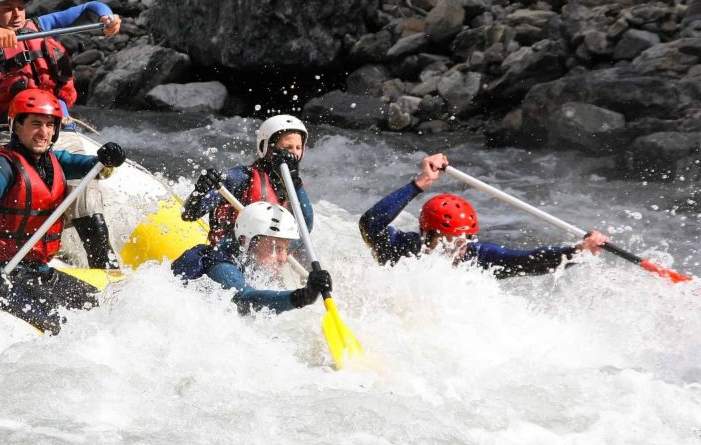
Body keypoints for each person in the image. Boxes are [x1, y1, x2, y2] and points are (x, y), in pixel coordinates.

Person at [0, 0, 124, 268]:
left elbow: (89, 7)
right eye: (7, 9)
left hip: (59, 128)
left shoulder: (40, 27)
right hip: (12, 133)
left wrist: (107, 17)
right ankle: (13, 257)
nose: (16, 15)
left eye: (20, 7)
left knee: (84, 183)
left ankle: (103, 260)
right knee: (24, 187)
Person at [0, 89, 126, 334]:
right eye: (36, 124)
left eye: (50, 125)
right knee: (61, 328)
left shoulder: (52, 161)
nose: (44, 132)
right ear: (17, 126)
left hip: (41, 271)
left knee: (104, 308)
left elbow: (93, 166)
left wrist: (110, 158)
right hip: (8, 275)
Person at [359, 153, 611, 278]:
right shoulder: (399, 249)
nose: (456, 247)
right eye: (447, 239)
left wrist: (578, 251)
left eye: (463, 238)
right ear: (426, 233)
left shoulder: (477, 257)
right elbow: (369, 224)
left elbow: (528, 260)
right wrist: (421, 183)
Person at [181, 115, 314, 261]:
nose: (294, 154)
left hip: (266, 261)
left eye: (298, 148)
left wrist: (295, 182)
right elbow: (189, 214)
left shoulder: (293, 190)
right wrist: (200, 191)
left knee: (305, 254)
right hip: (230, 257)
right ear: (268, 148)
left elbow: (304, 228)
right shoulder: (241, 177)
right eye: (288, 147)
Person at [172, 202, 332, 315]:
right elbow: (245, 300)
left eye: (286, 248)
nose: (282, 258)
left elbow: (306, 224)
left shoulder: (255, 257)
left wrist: (295, 180)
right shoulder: (222, 265)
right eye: (275, 248)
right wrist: (302, 296)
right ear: (245, 241)